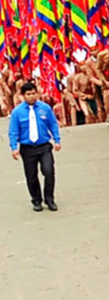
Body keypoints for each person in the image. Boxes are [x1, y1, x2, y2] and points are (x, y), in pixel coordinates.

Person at [8, 81, 61, 212]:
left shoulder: (45, 108)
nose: (31, 97)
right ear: (23, 95)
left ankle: (49, 198)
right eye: (28, 94)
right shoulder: (17, 112)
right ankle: (36, 200)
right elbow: (13, 131)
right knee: (31, 176)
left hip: (44, 146)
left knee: (48, 171)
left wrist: (57, 140)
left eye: (33, 93)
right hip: (27, 148)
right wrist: (14, 147)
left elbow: (53, 124)